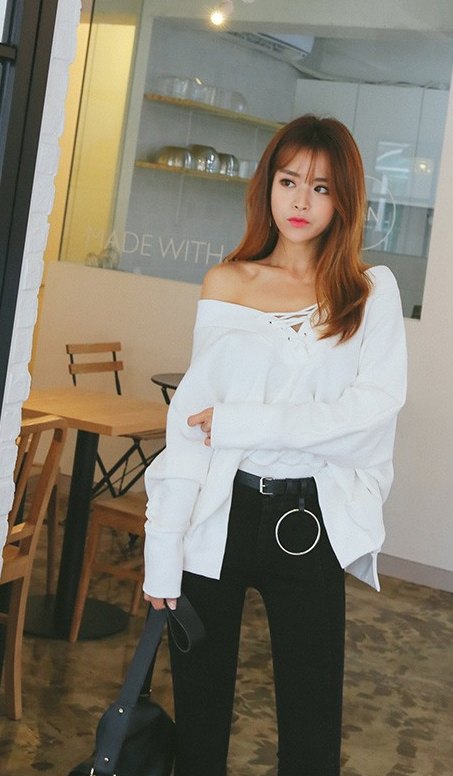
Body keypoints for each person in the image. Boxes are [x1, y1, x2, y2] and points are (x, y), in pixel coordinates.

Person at [142, 114, 407, 776]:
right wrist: (162, 548)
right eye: (289, 181)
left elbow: (368, 415)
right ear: (267, 185)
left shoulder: (368, 292)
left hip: (306, 520)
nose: (300, 201)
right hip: (219, 513)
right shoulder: (228, 282)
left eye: (320, 187)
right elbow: (190, 429)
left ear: (343, 199)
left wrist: (244, 423)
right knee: (199, 722)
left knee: (311, 730)